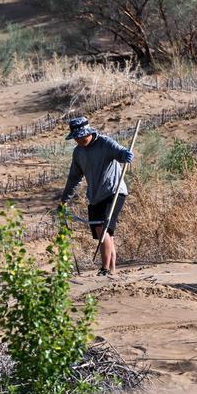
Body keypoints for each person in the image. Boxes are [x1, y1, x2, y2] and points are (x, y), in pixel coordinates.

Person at [58, 115, 133, 276]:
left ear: (89, 132)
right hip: (94, 196)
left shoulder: (105, 143)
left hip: (113, 192)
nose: (79, 139)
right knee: (106, 234)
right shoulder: (78, 153)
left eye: (81, 135)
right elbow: (74, 178)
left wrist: (125, 155)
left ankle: (105, 269)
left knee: (103, 228)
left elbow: (120, 152)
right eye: (76, 137)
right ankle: (112, 271)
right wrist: (64, 200)